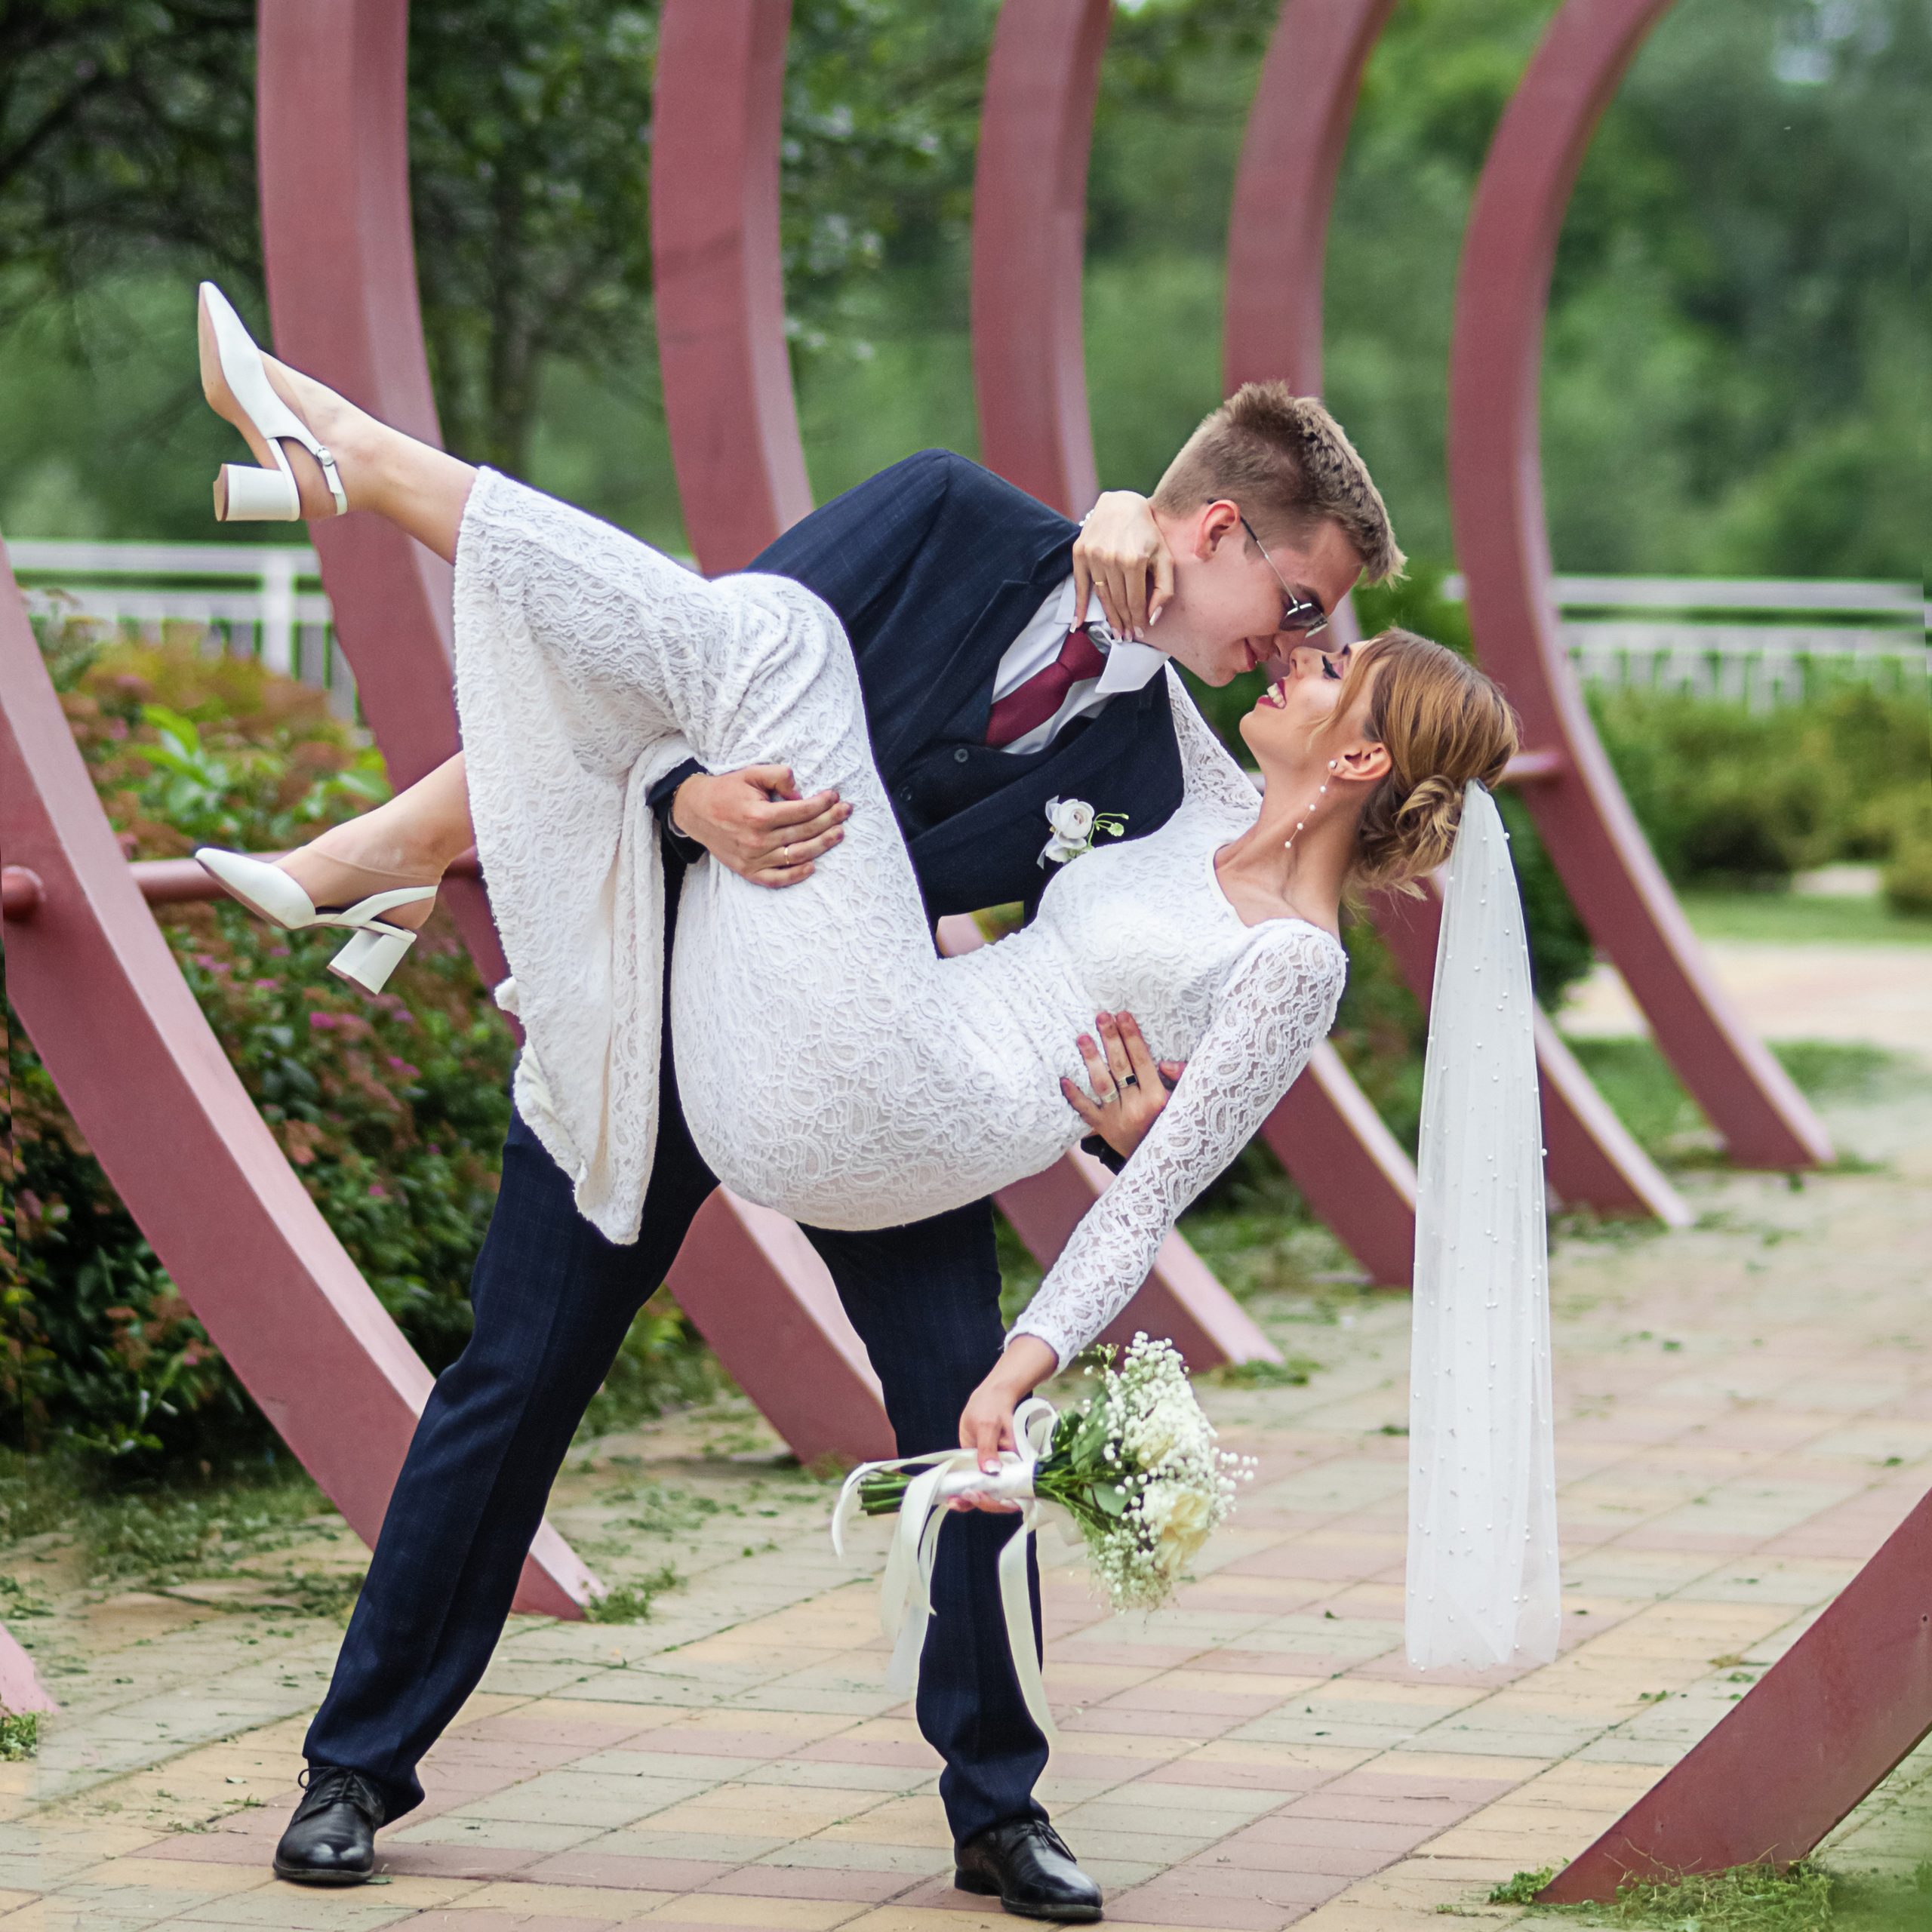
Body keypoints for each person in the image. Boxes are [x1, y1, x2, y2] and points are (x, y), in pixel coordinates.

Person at [192, 286, 1509, 1912]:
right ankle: (353, 1765)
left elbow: (1222, 966)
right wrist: (690, 800)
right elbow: (670, 672)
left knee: (962, 1405)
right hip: (661, 987)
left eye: (1320, 641)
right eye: (1296, 604)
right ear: (1220, 529)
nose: (1293, 647)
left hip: (884, 1057)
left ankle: (996, 1804)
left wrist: (1131, 1116)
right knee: (515, 1372)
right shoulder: (949, 516)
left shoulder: (1180, 766)